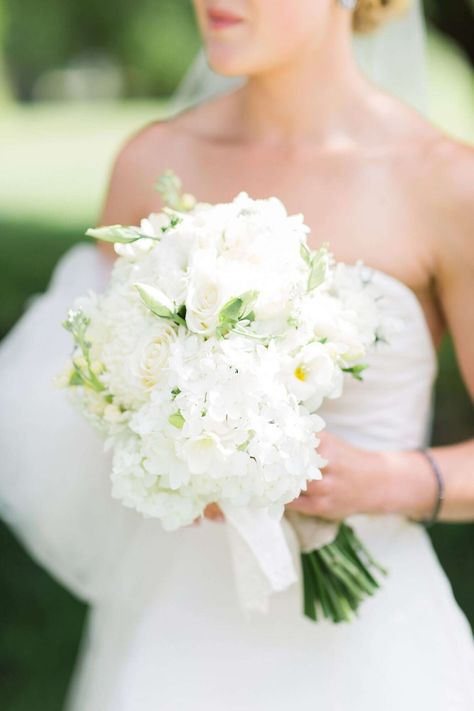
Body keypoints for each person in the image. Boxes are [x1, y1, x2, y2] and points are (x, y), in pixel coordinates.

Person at [0, 1, 473, 709]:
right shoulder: (150, 162)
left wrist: (383, 480)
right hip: (171, 639)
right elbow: (96, 384)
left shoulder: (446, 185)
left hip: (371, 652)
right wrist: (165, 446)